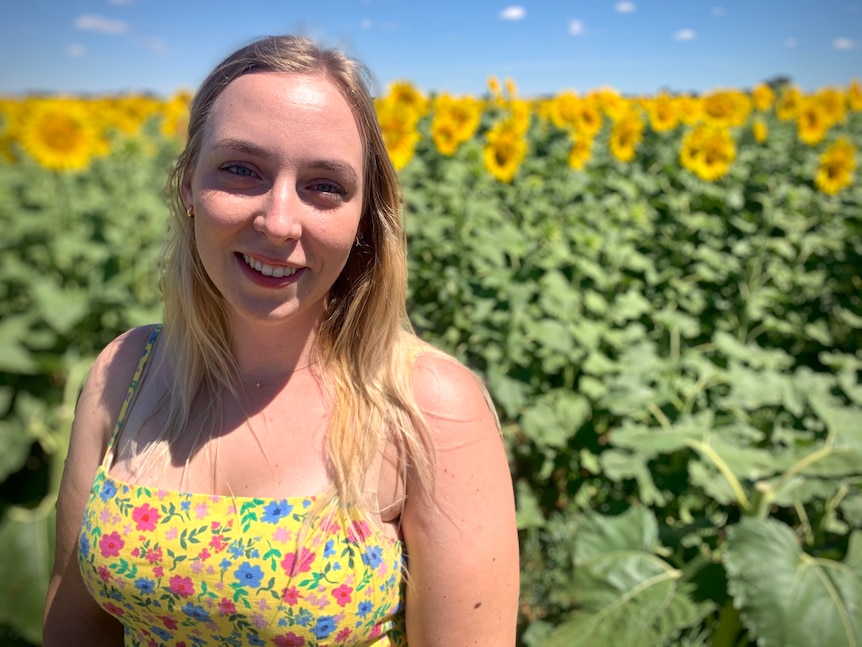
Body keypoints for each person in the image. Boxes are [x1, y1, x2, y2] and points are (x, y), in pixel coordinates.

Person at [42, 35, 519, 646]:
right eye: (242, 169)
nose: (278, 222)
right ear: (187, 186)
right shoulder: (127, 370)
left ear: (363, 217)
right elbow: (73, 623)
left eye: (324, 185)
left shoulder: (426, 407)